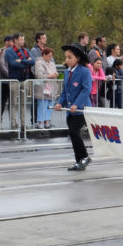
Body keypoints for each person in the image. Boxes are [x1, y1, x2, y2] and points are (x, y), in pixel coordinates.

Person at [54, 43, 93, 171]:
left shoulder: (85, 71)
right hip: (70, 111)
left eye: (70, 57)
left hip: (81, 109)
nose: (67, 60)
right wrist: (60, 103)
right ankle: (78, 160)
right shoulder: (67, 72)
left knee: (74, 131)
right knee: (73, 134)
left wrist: (77, 104)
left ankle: (85, 157)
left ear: (78, 58)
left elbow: (85, 90)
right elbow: (65, 91)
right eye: (66, 57)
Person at [4, 33, 34, 128]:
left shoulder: (26, 50)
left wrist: (21, 61)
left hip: (24, 79)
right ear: (15, 40)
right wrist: (26, 62)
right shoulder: (9, 51)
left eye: (23, 39)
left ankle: (23, 124)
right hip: (14, 80)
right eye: (21, 39)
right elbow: (13, 63)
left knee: (23, 103)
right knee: (13, 103)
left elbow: (33, 61)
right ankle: (13, 124)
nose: (23, 41)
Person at [33, 47, 58, 129]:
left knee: (50, 105)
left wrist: (55, 75)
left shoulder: (52, 63)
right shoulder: (39, 63)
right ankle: (40, 122)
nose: (50, 58)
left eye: (51, 56)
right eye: (49, 56)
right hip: (43, 87)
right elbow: (39, 75)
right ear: (44, 55)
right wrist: (51, 76)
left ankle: (47, 121)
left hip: (51, 87)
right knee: (42, 105)